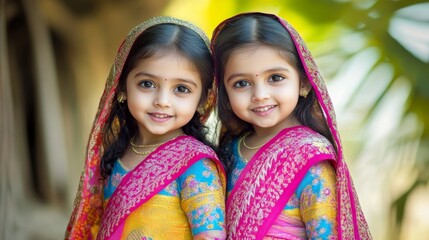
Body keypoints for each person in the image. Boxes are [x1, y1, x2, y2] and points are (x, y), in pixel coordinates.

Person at [211, 12, 372, 239]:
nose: (260, 95)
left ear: (304, 82)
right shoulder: (228, 150)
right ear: (224, 93)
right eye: (242, 83)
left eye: (275, 78)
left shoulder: (310, 156)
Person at [65, 16, 226, 240]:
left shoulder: (196, 165)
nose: (162, 100)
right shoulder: (116, 154)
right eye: (147, 84)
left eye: (181, 88)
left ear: (203, 99)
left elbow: (211, 237)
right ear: (122, 85)